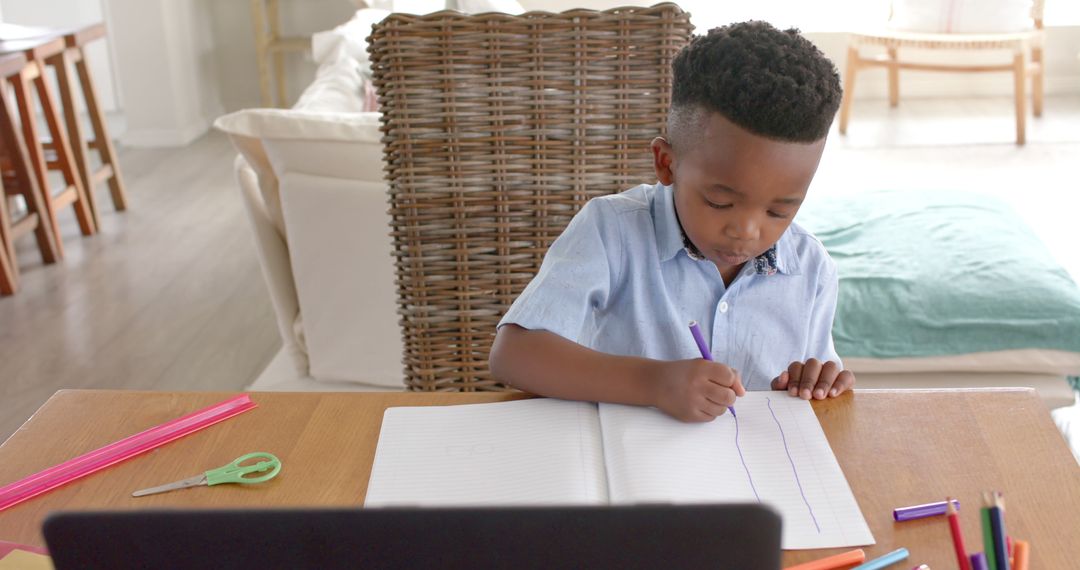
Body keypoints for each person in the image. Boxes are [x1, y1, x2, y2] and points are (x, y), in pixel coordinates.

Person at [488, 21, 854, 422]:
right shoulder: (612, 231)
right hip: (628, 469)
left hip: (760, 476)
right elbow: (513, 356)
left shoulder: (811, 268)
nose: (747, 231)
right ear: (667, 163)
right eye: (719, 201)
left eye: (779, 211)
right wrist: (655, 383)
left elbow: (818, 381)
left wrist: (818, 379)